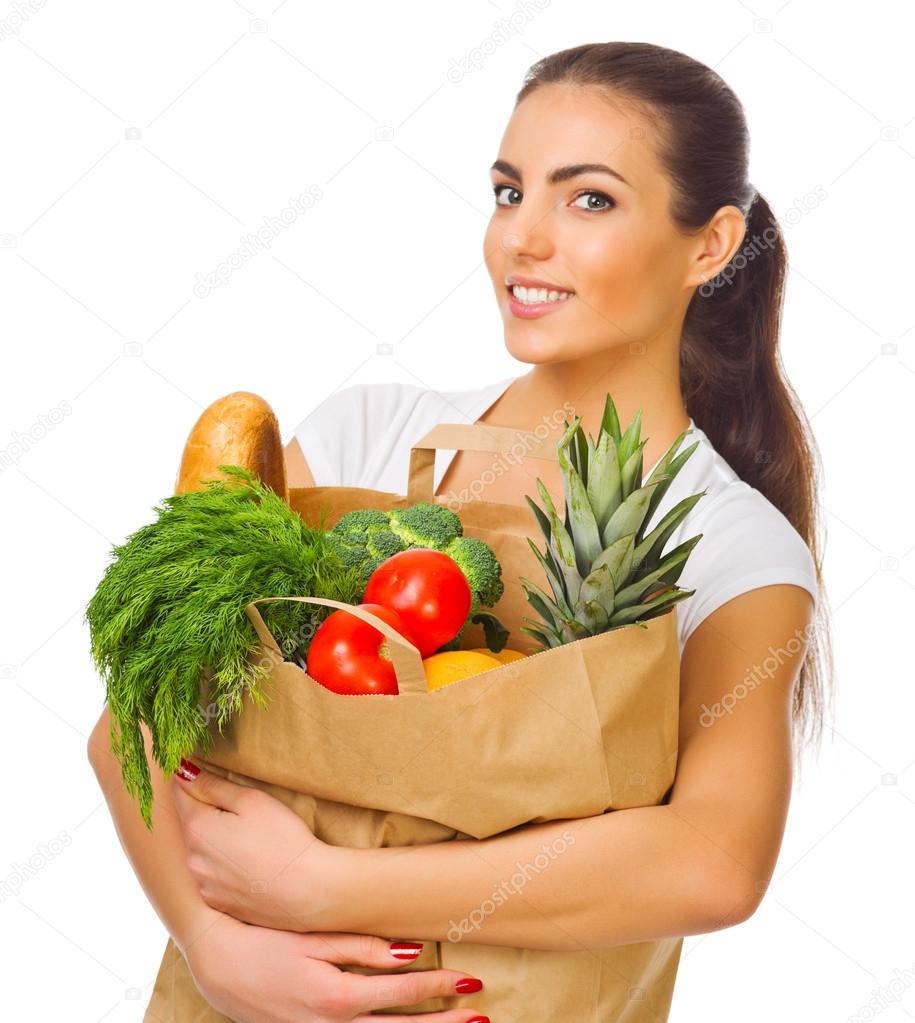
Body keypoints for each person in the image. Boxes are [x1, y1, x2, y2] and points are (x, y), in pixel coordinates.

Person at [89, 40, 834, 1022]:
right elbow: (135, 722)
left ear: (711, 244)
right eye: (508, 192)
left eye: (590, 199)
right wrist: (213, 944)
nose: (523, 237)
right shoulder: (365, 434)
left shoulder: (732, 551)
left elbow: (713, 861)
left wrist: (326, 888)